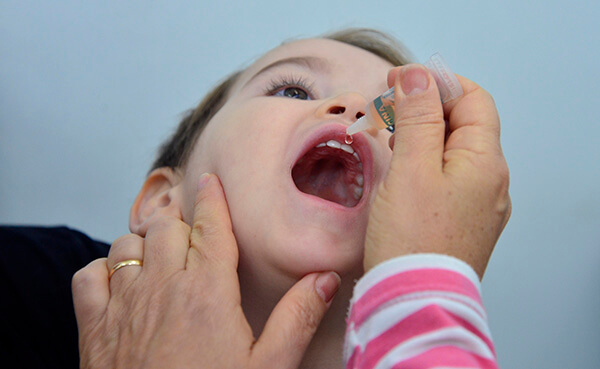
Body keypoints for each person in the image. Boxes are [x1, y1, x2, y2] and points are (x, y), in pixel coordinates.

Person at [3, 28, 510, 369]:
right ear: (162, 200)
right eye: (292, 89)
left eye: (396, 122)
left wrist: (425, 282)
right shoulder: (38, 285)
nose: (357, 106)